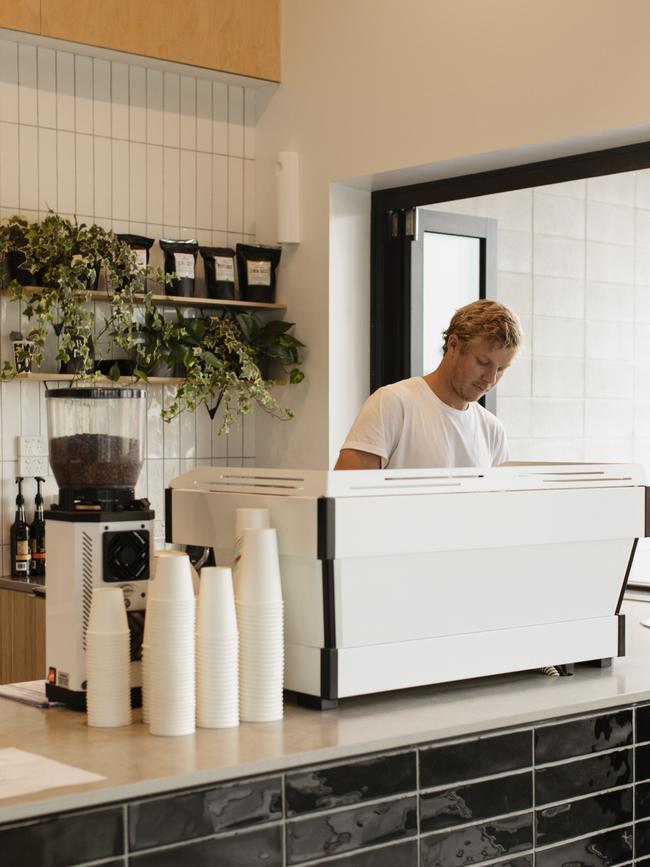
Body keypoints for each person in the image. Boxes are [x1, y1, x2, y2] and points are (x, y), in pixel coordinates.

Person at [335, 299, 522, 470]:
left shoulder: (492, 430)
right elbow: (342, 498)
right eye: (482, 362)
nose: (490, 378)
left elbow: (497, 505)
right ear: (454, 345)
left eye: (501, 369)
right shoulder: (392, 404)